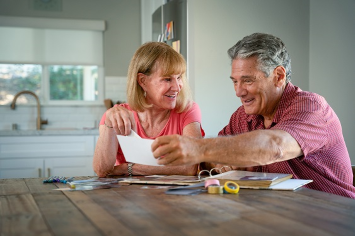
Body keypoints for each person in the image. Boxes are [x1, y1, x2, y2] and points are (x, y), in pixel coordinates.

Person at [152, 33, 355, 199]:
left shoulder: (311, 107)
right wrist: (222, 161)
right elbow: (215, 156)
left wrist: (198, 148)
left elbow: (274, 146)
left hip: (332, 216)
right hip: (279, 215)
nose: (238, 92)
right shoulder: (243, 116)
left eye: (247, 81)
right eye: (235, 81)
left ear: (279, 76)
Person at [93, 42, 204, 177]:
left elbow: (189, 168)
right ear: (143, 81)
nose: (177, 87)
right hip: (125, 196)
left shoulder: (188, 110)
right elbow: (102, 170)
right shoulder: (117, 116)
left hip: (173, 197)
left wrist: (128, 169)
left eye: (179, 77)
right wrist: (109, 121)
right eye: (167, 79)